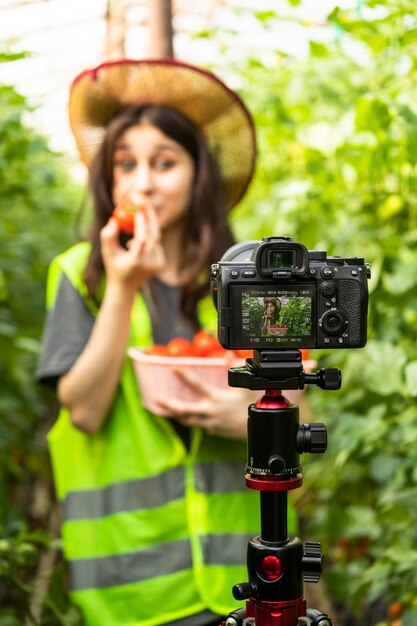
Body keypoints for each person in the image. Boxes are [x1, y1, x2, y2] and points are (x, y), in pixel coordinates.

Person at [36, 58, 282, 626]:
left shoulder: (240, 282)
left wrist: (249, 416)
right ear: (109, 180)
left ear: (200, 175)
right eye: (126, 165)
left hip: (241, 576)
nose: (142, 182)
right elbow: (85, 410)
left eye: (164, 163)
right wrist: (123, 286)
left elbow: (299, 407)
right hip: (133, 581)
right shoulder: (81, 274)